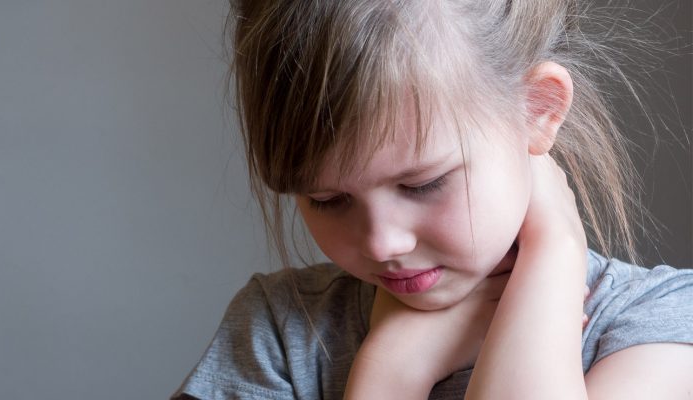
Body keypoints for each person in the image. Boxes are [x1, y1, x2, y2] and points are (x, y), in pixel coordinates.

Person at [173, 0, 693, 398]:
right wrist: (393, 372)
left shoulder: (659, 327)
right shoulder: (278, 334)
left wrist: (554, 255)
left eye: (422, 185)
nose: (382, 243)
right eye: (328, 198)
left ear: (537, 109)